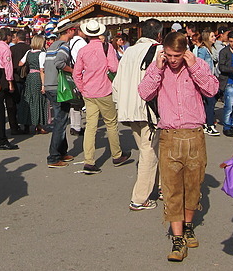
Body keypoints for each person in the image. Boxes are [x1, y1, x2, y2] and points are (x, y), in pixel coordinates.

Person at [138, 31, 219, 262]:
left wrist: (194, 67)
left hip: (194, 134)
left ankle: (189, 224)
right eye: (169, 55)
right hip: (170, 134)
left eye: (177, 55)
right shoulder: (159, 68)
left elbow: (212, 90)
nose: (173, 60)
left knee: (193, 186)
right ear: (163, 52)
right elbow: (144, 92)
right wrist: (157, 68)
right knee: (172, 189)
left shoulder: (197, 65)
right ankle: (177, 238)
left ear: (185, 52)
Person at [112, 18, 163, 209]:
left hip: (129, 110)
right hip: (149, 110)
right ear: (159, 34)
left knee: (148, 150)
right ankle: (139, 198)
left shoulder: (129, 51)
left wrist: (120, 106)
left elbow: (116, 83)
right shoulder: (159, 51)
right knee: (149, 153)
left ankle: (158, 187)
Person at [73, 19, 128, 174]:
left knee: (91, 126)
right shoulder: (107, 47)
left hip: (89, 92)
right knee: (111, 123)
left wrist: (82, 88)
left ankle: (89, 161)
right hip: (104, 90)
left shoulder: (83, 51)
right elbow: (114, 67)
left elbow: (77, 74)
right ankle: (117, 155)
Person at [43, 20, 76, 168]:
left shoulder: (52, 46)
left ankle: (62, 151)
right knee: (60, 121)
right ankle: (53, 157)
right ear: (69, 31)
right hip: (58, 87)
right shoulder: (64, 47)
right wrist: (72, 70)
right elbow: (60, 63)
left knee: (60, 118)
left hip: (50, 85)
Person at [18, 35, 47, 135]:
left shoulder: (28, 52)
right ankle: (38, 124)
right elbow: (42, 70)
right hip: (37, 77)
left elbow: (20, 63)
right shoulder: (42, 54)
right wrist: (44, 85)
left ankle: (27, 124)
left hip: (30, 76)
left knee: (29, 99)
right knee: (38, 100)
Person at [218, 30, 233, 137]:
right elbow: (221, 67)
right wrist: (232, 69)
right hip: (229, 82)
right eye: (231, 41)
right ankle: (227, 126)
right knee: (228, 106)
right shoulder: (224, 52)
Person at [196, 28, 220, 136]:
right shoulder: (203, 50)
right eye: (212, 36)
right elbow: (200, 63)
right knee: (210, 102)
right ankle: (209, 124)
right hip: (205, 80)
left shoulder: (211, 49)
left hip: (211, 78)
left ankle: (206, 123)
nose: (214, 38)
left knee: (210, 102)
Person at [9, 30, 30, 134]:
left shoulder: (12, 49)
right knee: (26, 102)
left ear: (17, 38)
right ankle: (26, 125)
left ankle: (15, 125)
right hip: (27, 77)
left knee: (14, 103)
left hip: (15, 78)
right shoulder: (29, 48)